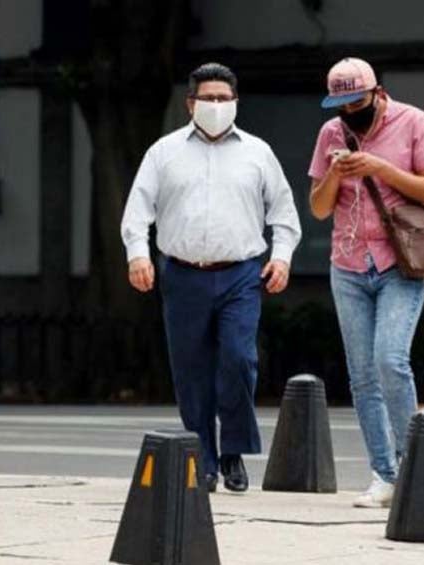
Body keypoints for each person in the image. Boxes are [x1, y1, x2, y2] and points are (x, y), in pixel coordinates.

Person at [120, 62, 302, 493]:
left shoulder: (258, 153)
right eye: (208, 99)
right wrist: (137, 256)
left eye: (224, 99)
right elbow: (137, 211)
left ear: (236, 103)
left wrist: (282, 258)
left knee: (239, 359)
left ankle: (234, 450)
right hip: (182, 274)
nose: (216, 106)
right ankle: (202, 455)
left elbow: (284, 213)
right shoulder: (163, 152)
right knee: (191, 370)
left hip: (241, 274)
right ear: (190, 103)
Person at [307, 57, 424, 508]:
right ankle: (383, 474)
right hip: (347, 264)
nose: (350, 111)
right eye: (341, 104)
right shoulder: (331, 133)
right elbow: (319, 208)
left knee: (390, 360)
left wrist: (379, 169)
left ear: (377, 92)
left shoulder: (413, 121)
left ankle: (412, 466)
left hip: (398, 262)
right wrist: (335, 174)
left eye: (357, 102)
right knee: (362, 376)